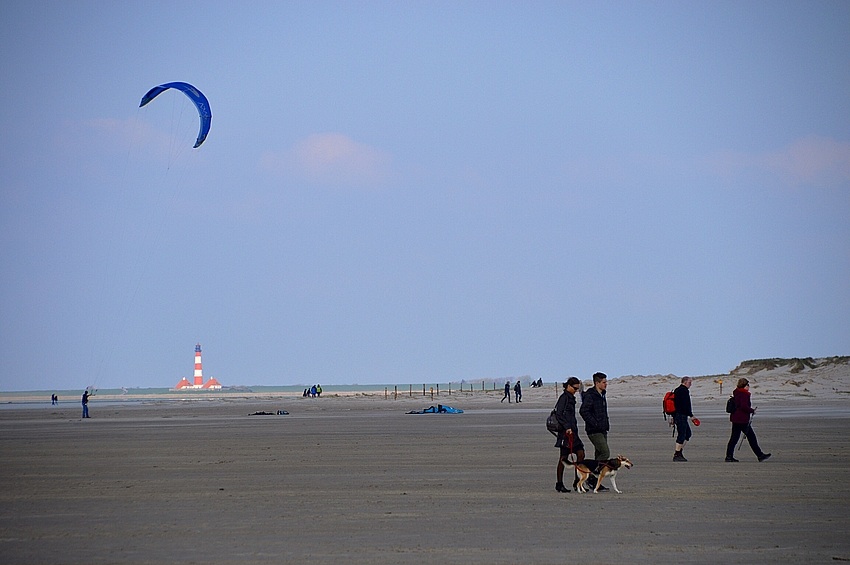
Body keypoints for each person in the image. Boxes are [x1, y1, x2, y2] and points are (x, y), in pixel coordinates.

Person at [725, 378, 771, 462]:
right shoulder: (744, 394)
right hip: (742, 419)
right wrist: (752, 410)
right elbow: (743, 406)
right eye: (748, 385)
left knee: (734, 438)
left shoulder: (736, 392)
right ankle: (760, 455)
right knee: (751, 437)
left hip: (735, 418)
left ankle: (729, 456)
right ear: (745, 386)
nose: (749, 387)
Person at [554, 377, 585, 493]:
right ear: (569, 386)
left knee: (581, 454)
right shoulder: (564, 398)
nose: (576, 391)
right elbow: (559, 414)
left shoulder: (570, 397)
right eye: (575, 388)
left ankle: (577, 481)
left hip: (573, 432)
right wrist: (567, 427)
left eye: (577, 388)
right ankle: (559, 483)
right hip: (565, 433)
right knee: (563, 458)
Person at [579, 372, 610, 490]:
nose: (606, 384)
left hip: (603, 428)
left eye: (606, 382)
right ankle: (592, 477)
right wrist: (594, 423)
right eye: (604, 382)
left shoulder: (602, 394)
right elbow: (583, 411)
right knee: (605, 452)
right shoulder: (590, 395)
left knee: (599, 453)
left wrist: (604, 424)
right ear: (597, 383)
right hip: (593, 430)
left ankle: (594, 481)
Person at [672, 376, 696, 461]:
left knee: (687, 434)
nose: (690, 384)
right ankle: (677, 454)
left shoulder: (677, 390)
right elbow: (686, 405)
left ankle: (679, 452)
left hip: (678, 415)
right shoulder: (684, 391)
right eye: (689, 382)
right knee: (682, 434)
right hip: (681, 415)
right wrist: (691, 416)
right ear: (685, 382)